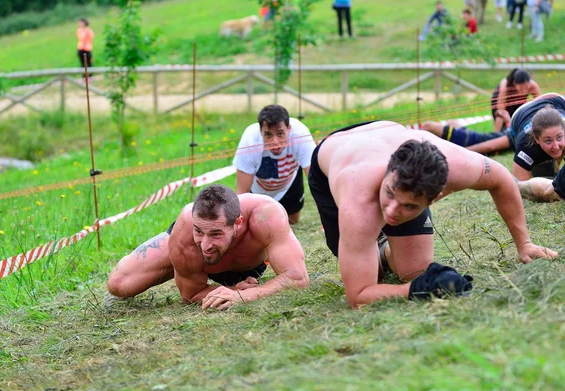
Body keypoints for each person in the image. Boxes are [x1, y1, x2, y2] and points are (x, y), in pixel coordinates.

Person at [308, 120, 557, 308]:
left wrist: (524, 244)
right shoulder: (357, 201)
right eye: (390, 194)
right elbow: (358, 296)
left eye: (410, 206)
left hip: (392, 136)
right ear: (389, 172)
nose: (392, 212)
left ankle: (384, 249)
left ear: (436, 197)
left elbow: (501, 179)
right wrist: (418, 290)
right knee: (375, 277)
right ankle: (378, 245)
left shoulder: (457, 166)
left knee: (413, 271)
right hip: (336, 154)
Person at [106, 185, 309, 311]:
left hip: (249, 265)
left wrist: (244, 295)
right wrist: (231, 290)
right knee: (119, 284)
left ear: (238, 223)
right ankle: (181, 263)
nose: (205, 245)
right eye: (200, 232)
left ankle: (185, 263)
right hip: (193, 255)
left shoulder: (265, 214)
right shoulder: (186, 228)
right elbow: (190, 295)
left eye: (216, 234)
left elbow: (298, 277)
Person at [233, 105, 316, 224]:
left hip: (289, 181)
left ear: (289, 129)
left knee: (292, 222)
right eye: (268, 135)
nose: (275, 142)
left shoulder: (300, 134)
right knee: (257, 224)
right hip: (258, 188)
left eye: (280, 133)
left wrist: (328, 219)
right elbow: (242, 193)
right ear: (260, 131)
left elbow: (315, 181)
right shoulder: (250, 141)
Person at [510, 94, 565, 181]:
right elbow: (520, 188)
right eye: (548, 141)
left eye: (559, 138)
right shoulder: (526, 145)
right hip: (520, 114)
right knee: (545, 178)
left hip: (555, 100)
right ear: (536, 139)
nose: (556, 146)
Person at [421, 109, 513, 155]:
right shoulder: (516, 131)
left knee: (428, 126)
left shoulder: (514, 137)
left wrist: (461, 152)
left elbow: (490, 146)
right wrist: (508, 121)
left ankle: (411, 148)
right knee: (452, 123)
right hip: (476, 136)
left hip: (473, 140)